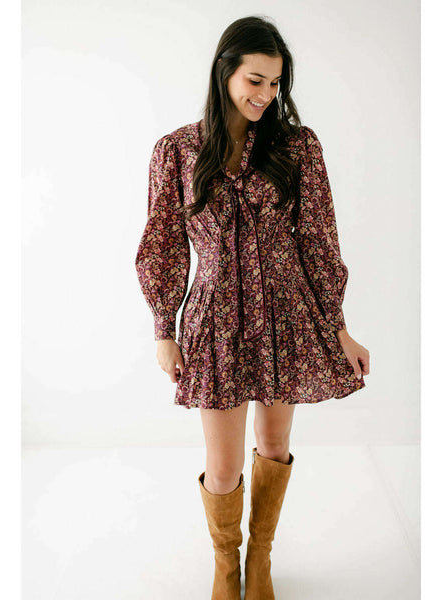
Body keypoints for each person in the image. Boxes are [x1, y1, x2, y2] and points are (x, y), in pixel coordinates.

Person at [135, 15, 370, 600]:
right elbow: (163, 244)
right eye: (255, 80)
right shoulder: (177, 151)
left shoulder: (298, 146)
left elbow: (318, 239)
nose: (266, 95)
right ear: (225, 73)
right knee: (223, 466)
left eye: (276, 83)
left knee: (274, 444)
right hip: (214, 321)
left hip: (284, 314)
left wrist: (339, 326)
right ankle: (226, 565)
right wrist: (165, 329)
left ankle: (259, 558)